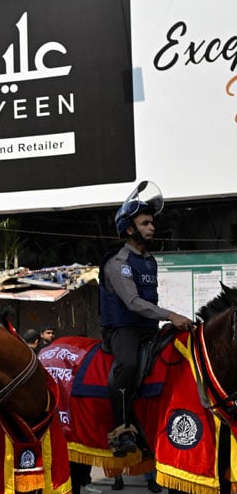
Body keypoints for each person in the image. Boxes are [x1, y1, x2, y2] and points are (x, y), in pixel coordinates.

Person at [99, 181, 192, 457]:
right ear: (130, 229)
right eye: (145, 223)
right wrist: (170, 315)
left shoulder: (149, 260)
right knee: (126, 365)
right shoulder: (119, 262)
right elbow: (133, 303)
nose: (152, 227)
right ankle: (120, 430)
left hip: (148, 328)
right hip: (123, 329)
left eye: (152, 222)